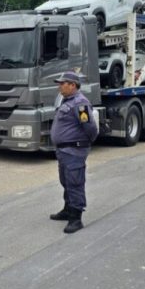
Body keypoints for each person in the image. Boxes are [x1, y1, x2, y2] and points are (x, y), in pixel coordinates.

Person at [49, 71, 99, 234]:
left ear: (72, 85)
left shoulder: (80, 103)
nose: (59, 86)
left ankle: (76, 219)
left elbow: (90, 127)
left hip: (74, 150)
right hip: (64, 150)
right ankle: (67, 209)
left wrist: (84, 144)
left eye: (62, 83)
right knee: (66, 181)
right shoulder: (66, 100)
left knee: (75, 183)